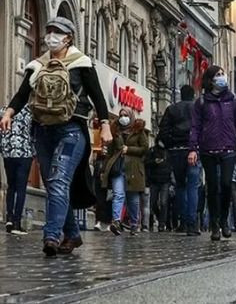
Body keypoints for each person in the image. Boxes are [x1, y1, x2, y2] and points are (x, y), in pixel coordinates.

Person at [1, 17, 111, 255]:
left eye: (57, 32)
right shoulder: (37, 66)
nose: (51, 35)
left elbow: (98, 96)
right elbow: (22, 95)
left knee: (59, 180)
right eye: (48, 31)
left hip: (72, 131)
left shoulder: (82, 63)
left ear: (68, 37)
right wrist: (9, 113)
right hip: (42, 131)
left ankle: (51, 236)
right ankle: (71, 234)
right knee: (53, 184)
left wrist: (105, 125)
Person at [189, 66, 236, 241]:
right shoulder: (202, 102)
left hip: (229, 149)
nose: (222, 77)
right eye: (218, 75)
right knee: (212, 187)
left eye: (223, 74)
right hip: (208, 149)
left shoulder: (234, 100)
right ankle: (215, 223)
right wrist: (193, 148)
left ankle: (224, 220)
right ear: (210, 80)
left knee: (226, 184)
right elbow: (195, 127)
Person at [158, 85, 200, 236]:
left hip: (176, 151)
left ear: (180, 95)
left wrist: (170, 143)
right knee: (193, 186)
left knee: (181, 186)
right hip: (193, 150)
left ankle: (183, 221)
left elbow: (163, 130)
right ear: (193, 94)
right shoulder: (197, 108)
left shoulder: (172, 109)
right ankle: (192, 223)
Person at [105, 108, 148, 235]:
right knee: (118, 195)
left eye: (125, 115)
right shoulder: (115, 129)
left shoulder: (139, 130)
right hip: (118, 168)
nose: (123, 117)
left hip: (133, 169)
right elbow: (110, 151)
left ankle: (134, 223)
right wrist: (105, 168)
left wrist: (129, 149)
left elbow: (145, 149)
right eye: (121, 115)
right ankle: (116, 222)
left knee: (132, 199)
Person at [2, 106, 33, 235]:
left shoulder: (4, 111)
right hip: (24, 153)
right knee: (21, 189)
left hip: (8, 153)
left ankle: (9, 218)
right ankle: (16, 223)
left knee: (11, 186)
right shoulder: (30, 113)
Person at [146, 142, 173, 232]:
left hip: (165, 180)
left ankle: (162, 224)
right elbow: (147, 163)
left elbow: (171, 165)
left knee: (163, 202)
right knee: (153, 203)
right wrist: (154, 162)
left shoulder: (169, 151)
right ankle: (160, 219)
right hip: (154, 180)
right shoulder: (152, 150)